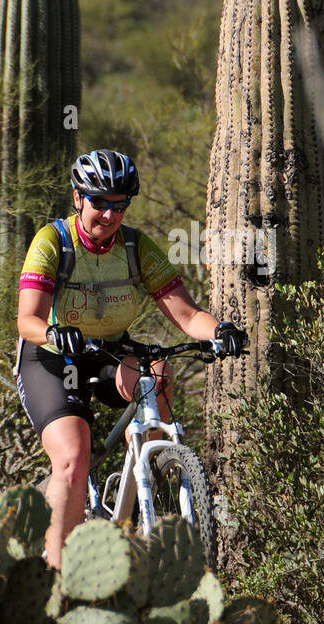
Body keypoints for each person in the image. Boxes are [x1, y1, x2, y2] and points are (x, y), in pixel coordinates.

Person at [14, 148, 248, 568]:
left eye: (119, 205)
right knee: (73, 456)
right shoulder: (53, 242)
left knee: (157, 374)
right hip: (51, 357)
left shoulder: (136, 246)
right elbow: (27, 320)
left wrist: (220, 331)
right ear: (77, 199)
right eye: (100, 203)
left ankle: (144, 485)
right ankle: (53, 574)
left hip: (107, 349)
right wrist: (53, 332)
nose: (109, 215)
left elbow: (187, 314)